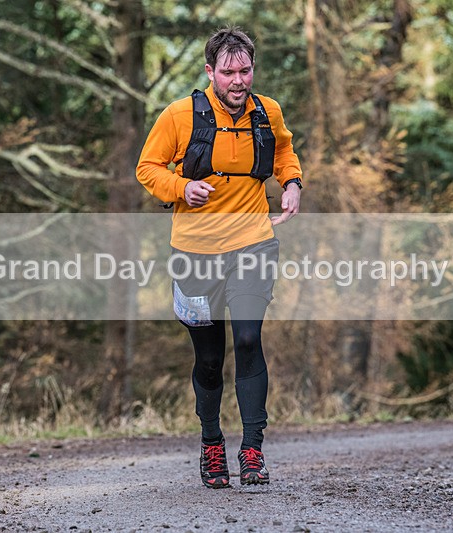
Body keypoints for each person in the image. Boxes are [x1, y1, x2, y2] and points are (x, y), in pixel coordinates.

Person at [136, 27, 302, 488]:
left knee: (248, 339)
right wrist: (181, 187)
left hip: (252, 242)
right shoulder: (178, 116)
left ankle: (252, 450)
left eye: (245, 70)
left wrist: (291, 184)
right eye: (227, 72)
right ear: (210, 71)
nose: (238, 80)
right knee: (209, 358)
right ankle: (212, 443)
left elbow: (285, 150)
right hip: (194, 251)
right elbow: (147, 167)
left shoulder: (267, 111)